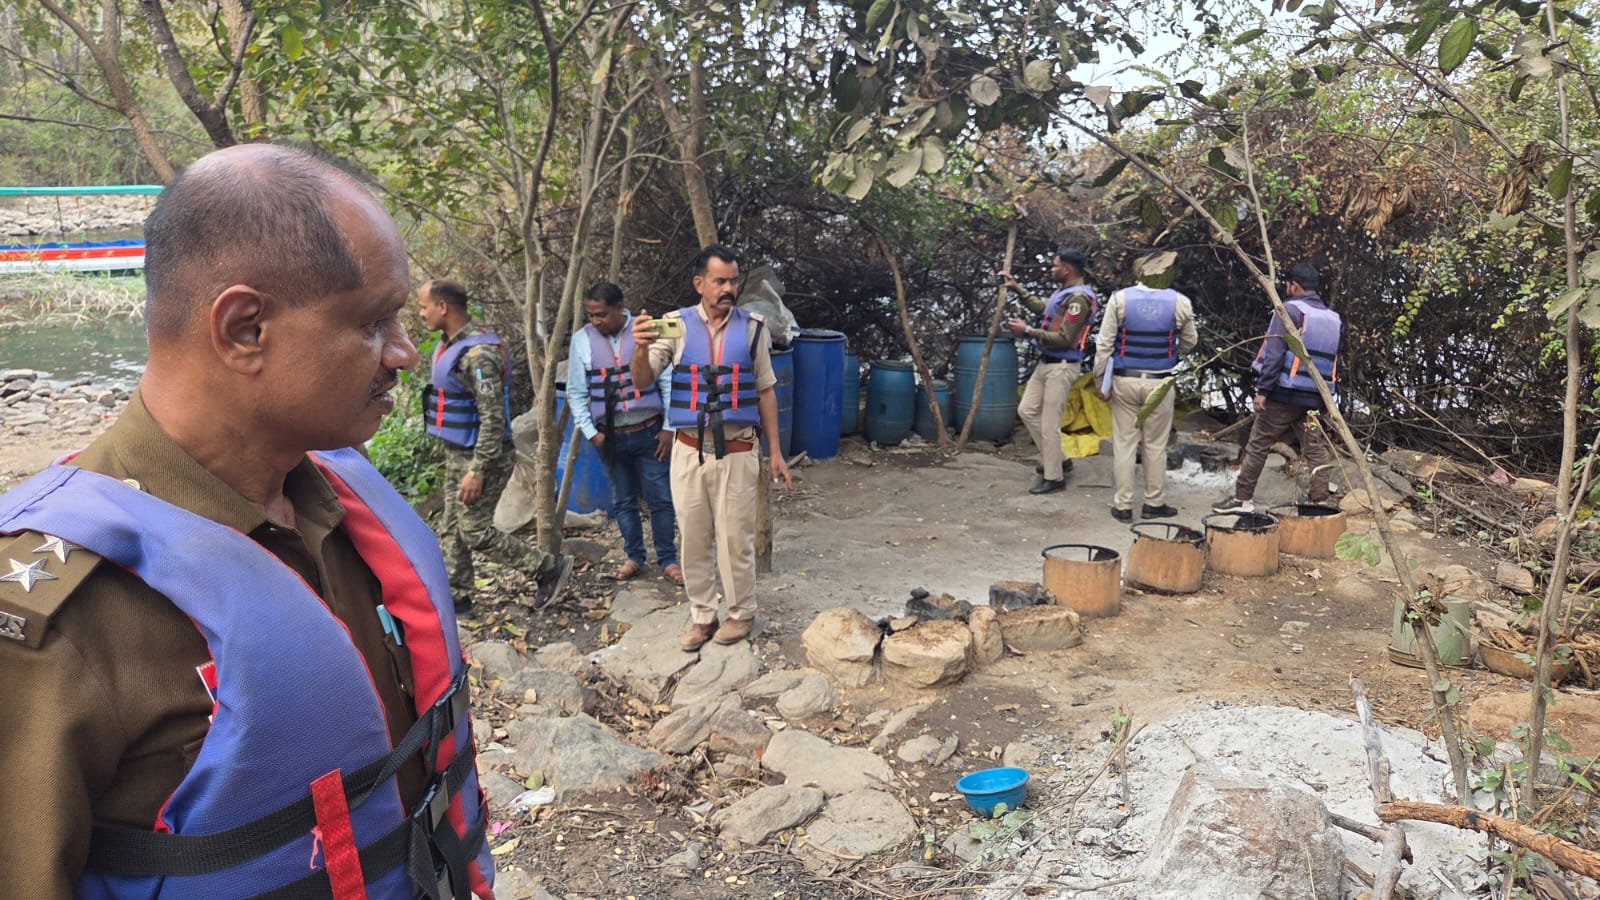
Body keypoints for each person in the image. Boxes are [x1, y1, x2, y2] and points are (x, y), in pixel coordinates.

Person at [0, 144, 494, 897]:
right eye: (373, 322)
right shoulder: (57, 615)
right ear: (243, 329)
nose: (402, 353)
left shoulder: (339, 502)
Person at [629, 244, 792, 652]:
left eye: (733, 281)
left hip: (738, 450)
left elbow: (766, 390)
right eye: (719, 281)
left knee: (736, 539)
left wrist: (775, 452)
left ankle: (741, 613)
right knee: (693, 538)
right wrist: (639, 347)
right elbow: (642, 380)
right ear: (699, 283)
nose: (728, 289)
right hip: (688, 450)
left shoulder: (753, 328)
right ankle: (703, 615)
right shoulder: (675, 326)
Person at [418, 278, 572, 612]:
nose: (421, 313)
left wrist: (477, 470)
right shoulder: (452, 344)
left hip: (484, 456)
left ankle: (548, 568)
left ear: (442, 307)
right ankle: (458, 597)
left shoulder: (479, 355)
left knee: (473, 530)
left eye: (423, 306)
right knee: (451, 527)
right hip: (459, 452)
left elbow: (493, 420)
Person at [567, 281, 682, 584]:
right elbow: (576, 392)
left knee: (660, 497)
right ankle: (634, 557)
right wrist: (592, 433)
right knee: (623, 501)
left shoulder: (646, 332)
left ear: (620, 308)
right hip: (609, 437)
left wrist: (669, 428)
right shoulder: (581, 341)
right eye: (590, 315)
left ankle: (668, 559)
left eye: (601, 314)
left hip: (650, 433)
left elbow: (667, 381)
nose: (595, 321)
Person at [1214, 262, 1341, 512]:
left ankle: (1241, 499)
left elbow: (1274, 354)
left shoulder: (1288, 310)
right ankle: (1320, 500)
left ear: (1294, 286)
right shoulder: (1333, 318)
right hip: (1316, 396)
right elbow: (1334, 360)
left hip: (1284, 394)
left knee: (1258, 445)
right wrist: (1327, 399)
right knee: (1315, 449)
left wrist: (1263, 391)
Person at [1092, 251, 1198, 522]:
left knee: (1124, 444)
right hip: (1159, 382)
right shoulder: (1180, 302)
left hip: (1124, 380)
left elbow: (1104, 344)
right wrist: (1171, 351)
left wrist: (1100, 381)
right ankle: (1153, 503)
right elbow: (1190, 342)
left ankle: (1123, 506)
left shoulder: (1120, 299)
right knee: (1155, 445)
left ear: (1140, 273)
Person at [1001, 248, 1098, 495]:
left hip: (1062, 367)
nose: (1052, 269)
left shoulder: (1079, 299)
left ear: (1068, 269)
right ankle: (1060, 459)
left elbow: (1066, 338)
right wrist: (1018, 288)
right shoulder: (1064, 292)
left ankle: (1054, 477)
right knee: (1026, 410)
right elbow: (1045, 310)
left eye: (1056, 265)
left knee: (1049, 424)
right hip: (1046, 363)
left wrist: (1028, 331)